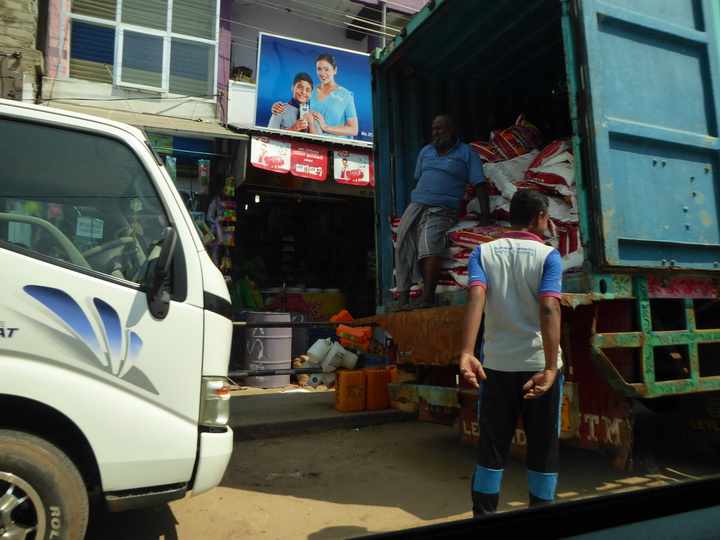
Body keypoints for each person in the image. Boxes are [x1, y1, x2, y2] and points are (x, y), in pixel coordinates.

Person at [459, 188, 563, 516]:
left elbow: (475, 299)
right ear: (540, 218)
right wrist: (549, 368)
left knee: (492, 447)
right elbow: (549, 308)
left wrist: (466, 352)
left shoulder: (483, 253)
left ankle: (484, 517)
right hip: (537, 368)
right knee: (543, 447)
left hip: (497, 366)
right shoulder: (549, 256)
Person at [394, 114, 490, 309]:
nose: (435, 133)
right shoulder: (426, 151)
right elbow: (416, 180)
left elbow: (479, 184)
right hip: (417, 204)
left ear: (452, 128)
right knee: (403, 243)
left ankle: (428, 296)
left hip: (443, 208)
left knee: (429, 243)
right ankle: (403, 301)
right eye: (433, 129)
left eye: (440, 128)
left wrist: (485, 217)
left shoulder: (466, 152)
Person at [271, 52, 358, 139]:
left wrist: (325, 127)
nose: (322, 73)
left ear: (335, 70)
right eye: (319, 69)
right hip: (308, 141)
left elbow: (354, 130)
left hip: (334, 143)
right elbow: (296, 106)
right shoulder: (310, 91)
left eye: (326, 69)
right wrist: (277, 106)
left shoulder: (345, 95)